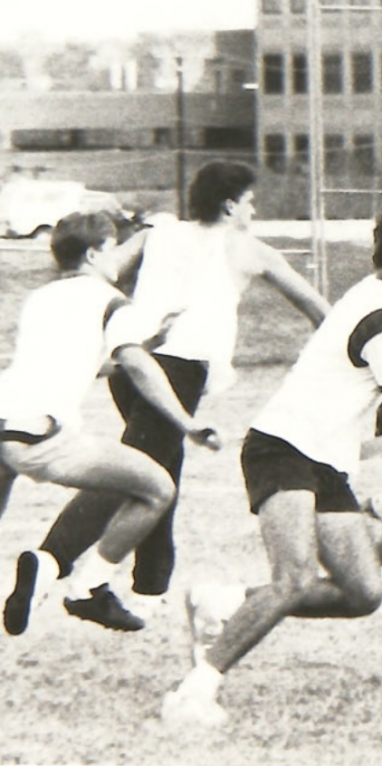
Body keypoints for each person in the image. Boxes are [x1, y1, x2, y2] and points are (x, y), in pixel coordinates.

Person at [160, 198, 382, 727]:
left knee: (364, 593)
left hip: (324, 462)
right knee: (295, 577)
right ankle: (195, 690)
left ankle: (222, 600)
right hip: (281, 447)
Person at [19, 160, 329, 628]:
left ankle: (150, 587)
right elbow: (315, 306)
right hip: (175, 370)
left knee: (160, 469)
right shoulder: (248, 250)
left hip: (133, 363)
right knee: (137, 474)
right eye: (249, 200)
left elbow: (99, 272)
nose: (254, 208)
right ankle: (56, 565)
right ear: (229, 205)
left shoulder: (156, 234)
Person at [0, 213, 221, 635]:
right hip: (42, 432)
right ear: (95, 252)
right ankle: (88, 587)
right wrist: (187, 423)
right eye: (113, 247)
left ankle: (47, 571)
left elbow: (87, 364)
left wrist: (147, 342)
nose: (118, 258)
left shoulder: (41, 297)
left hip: (3, 418)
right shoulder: (111, 300)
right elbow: (137, 367)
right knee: (157, 488)